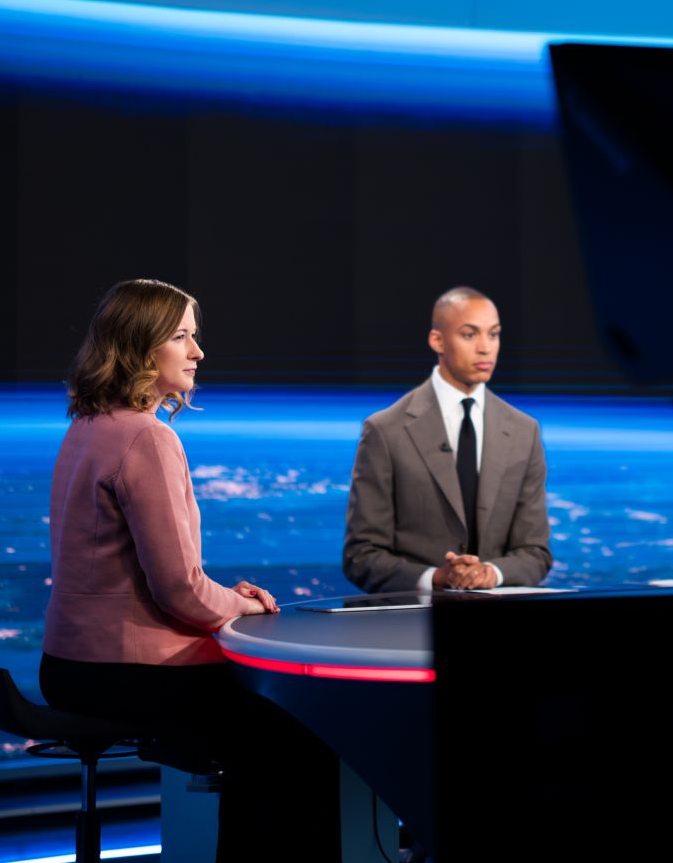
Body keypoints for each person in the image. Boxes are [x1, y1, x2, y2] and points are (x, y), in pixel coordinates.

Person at [38, 278, 338, 862]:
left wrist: (223, 595)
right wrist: (245, 605)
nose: (198, 352)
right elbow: (179, 591)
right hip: (125, 670)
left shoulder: (87, 427)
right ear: (139, 346)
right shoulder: (149, 438)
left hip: (67, 667)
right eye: (182, 337)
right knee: (301, 724)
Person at [343, 286, 553, 593]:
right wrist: (438, 578)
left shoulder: (525, 431)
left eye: (493, 334)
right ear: (437, 340)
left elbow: (536, 553)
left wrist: (491, 573)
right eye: (470, 334)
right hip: (411, 625)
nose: (485, 348)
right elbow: (360, 556)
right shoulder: (386, 430)